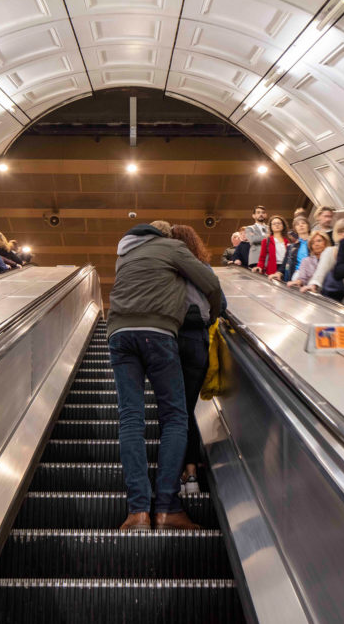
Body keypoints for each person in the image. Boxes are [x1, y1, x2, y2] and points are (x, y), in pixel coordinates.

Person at [108, 220, 222, 531]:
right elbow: (211, 284)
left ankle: (138, 512)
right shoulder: (172, 248)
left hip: (118, 334)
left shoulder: (126, 256)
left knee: (130, 417)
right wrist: (212, 314)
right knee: (174, 417)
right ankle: (167, 507)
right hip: (157, 333)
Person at [168, 225, 221, 495]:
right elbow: (219, 303)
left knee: (172, 411)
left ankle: (174, 475)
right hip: (197, 340)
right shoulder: (204, 269)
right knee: (187, 409)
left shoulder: (168, 269)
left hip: (170, 339)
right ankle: (192, 474)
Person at [302, 218, 344, 301]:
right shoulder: (330, 251)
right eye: (340, 232)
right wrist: (314, 285)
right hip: (339, 296)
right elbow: (321, 271)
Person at [254, 215, 291, 279]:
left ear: (283, 225)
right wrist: (259, 267)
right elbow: (262, 258)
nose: (277, 225)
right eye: (274, 224)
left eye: (279, 223)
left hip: (287, 268)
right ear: (270, 227)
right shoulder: (266, 241)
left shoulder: (289, 240)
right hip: (273, 269)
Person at [283, 216, 311, 282]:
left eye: (303, 223)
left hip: (311, 276)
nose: (301, 225)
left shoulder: (315, 242)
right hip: (295, 276)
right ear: (295, 229)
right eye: (297, 224)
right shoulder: (291, 247)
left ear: (308, 226)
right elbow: (285, 263)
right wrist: (279, 273)